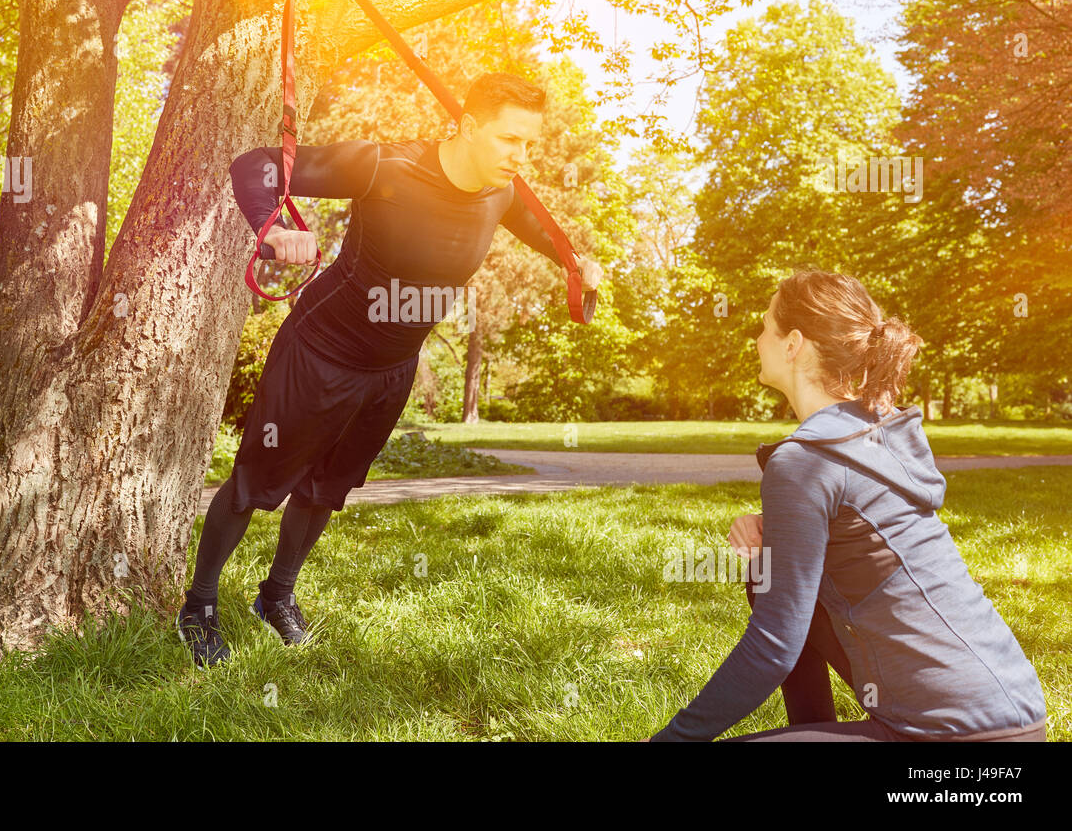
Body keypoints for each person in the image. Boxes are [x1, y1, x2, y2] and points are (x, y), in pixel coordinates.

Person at [176, 72, 604, 667]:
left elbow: (537, 227)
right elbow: (257, 165)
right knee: (255, 486)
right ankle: (198, 606)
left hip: (392, 369)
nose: (521, 157)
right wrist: (271, 227)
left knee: (327, 490)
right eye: (510, 140)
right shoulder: (384, 166)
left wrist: (573, 262)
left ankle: (276, 597)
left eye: (529, 145)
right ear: (469, 126)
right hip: (320, 353)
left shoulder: (503, 191)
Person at [649, 268, 1047, 741]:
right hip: (1018, 718)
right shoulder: (873, 431)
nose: (757, 339)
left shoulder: (804, 461)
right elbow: (857, 528)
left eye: (763, 327)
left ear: (793, 343)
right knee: (767, 571)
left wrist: (670, 740)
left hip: (950, 738)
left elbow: (772, 648)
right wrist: (776, 528)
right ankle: (815, 729)